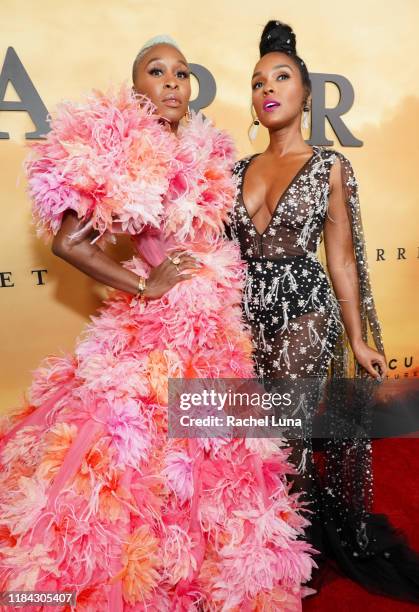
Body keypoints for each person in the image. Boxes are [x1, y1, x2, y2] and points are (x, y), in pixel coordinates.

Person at [0, 36, 316, 610]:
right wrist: (147, 284)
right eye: (157, 71)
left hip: (216, 326)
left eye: (182, 72)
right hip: (157, 329)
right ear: (137, 87)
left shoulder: (204, 150)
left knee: (214, 459)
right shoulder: (120, 148)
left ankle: (202, 574)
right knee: (133, 455)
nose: (172, 82)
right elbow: (70, 240)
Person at [228, 19, 419, 603]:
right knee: (247, 434)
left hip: (303, 312)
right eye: (258, 80)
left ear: (306, 93)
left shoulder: (328, 164)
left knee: (287, 433)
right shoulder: (234, 170)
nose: (268, 88)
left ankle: (296, 549)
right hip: (244, 314)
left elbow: (340, 260)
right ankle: (261, 542)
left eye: (281, 76)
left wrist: (359, 339)